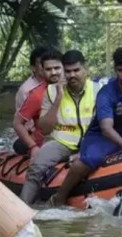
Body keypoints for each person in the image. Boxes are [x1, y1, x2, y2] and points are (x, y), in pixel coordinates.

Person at [48, 46, 122, 206]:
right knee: (86, 161)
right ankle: (60, 196)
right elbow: (106, 128)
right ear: (115, 70)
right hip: (103, 138)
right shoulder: (106, 92)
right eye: (120, 70)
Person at [19, 50, 100, 204]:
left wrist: (84, 150)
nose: (72, 75)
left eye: (76, 70)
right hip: (62, 143)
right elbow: (44, 129)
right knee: (36, 169)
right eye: (68, 71)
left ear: (85, 70)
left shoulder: (97, 90)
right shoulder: (51, 91)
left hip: (91, 141)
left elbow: (103, 126)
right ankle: (22, 211)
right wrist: (58, 98)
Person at [13, 49, 63, 157]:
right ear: (42, 70)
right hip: (47, 143)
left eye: (57, 68)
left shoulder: (78, 87)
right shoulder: (36, 94)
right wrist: (33, 146)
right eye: (48, 69)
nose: (54, 72)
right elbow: (17, 123)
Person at [15, 46, 48, 111]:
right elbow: (24, 119)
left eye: (47, 62)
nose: (46, 65)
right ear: (33, 68)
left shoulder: (56, 83)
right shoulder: (26, 91)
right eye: (41, 63)